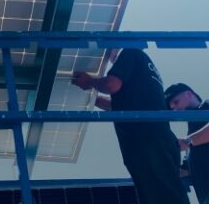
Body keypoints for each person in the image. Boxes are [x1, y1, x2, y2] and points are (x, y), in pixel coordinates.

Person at [72, 48, 190, 204]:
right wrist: (93, 97)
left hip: (147, 142)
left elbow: (111, 84)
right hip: (156, 142)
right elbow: (120, 105)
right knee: (162, 193)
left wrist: (90, 82)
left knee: (163, 196)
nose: (106, 56)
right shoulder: (145, 75)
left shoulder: (129, 52)